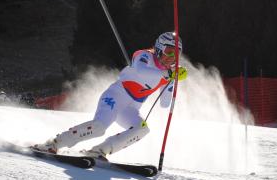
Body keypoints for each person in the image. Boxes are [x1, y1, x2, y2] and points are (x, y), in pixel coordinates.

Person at [34, 31, 187, 158]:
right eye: (169, 52)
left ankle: (99, 151)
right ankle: (54, 143)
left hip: (130, 108)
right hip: (115, 96)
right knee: (99, 127)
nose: (172, 58)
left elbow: (164, 103)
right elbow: (141, 71)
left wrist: (173, 82)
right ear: (159, 49)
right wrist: (167, 74)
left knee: (142, 130)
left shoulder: (168, 73)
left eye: (176, 55)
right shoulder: (144, 56)